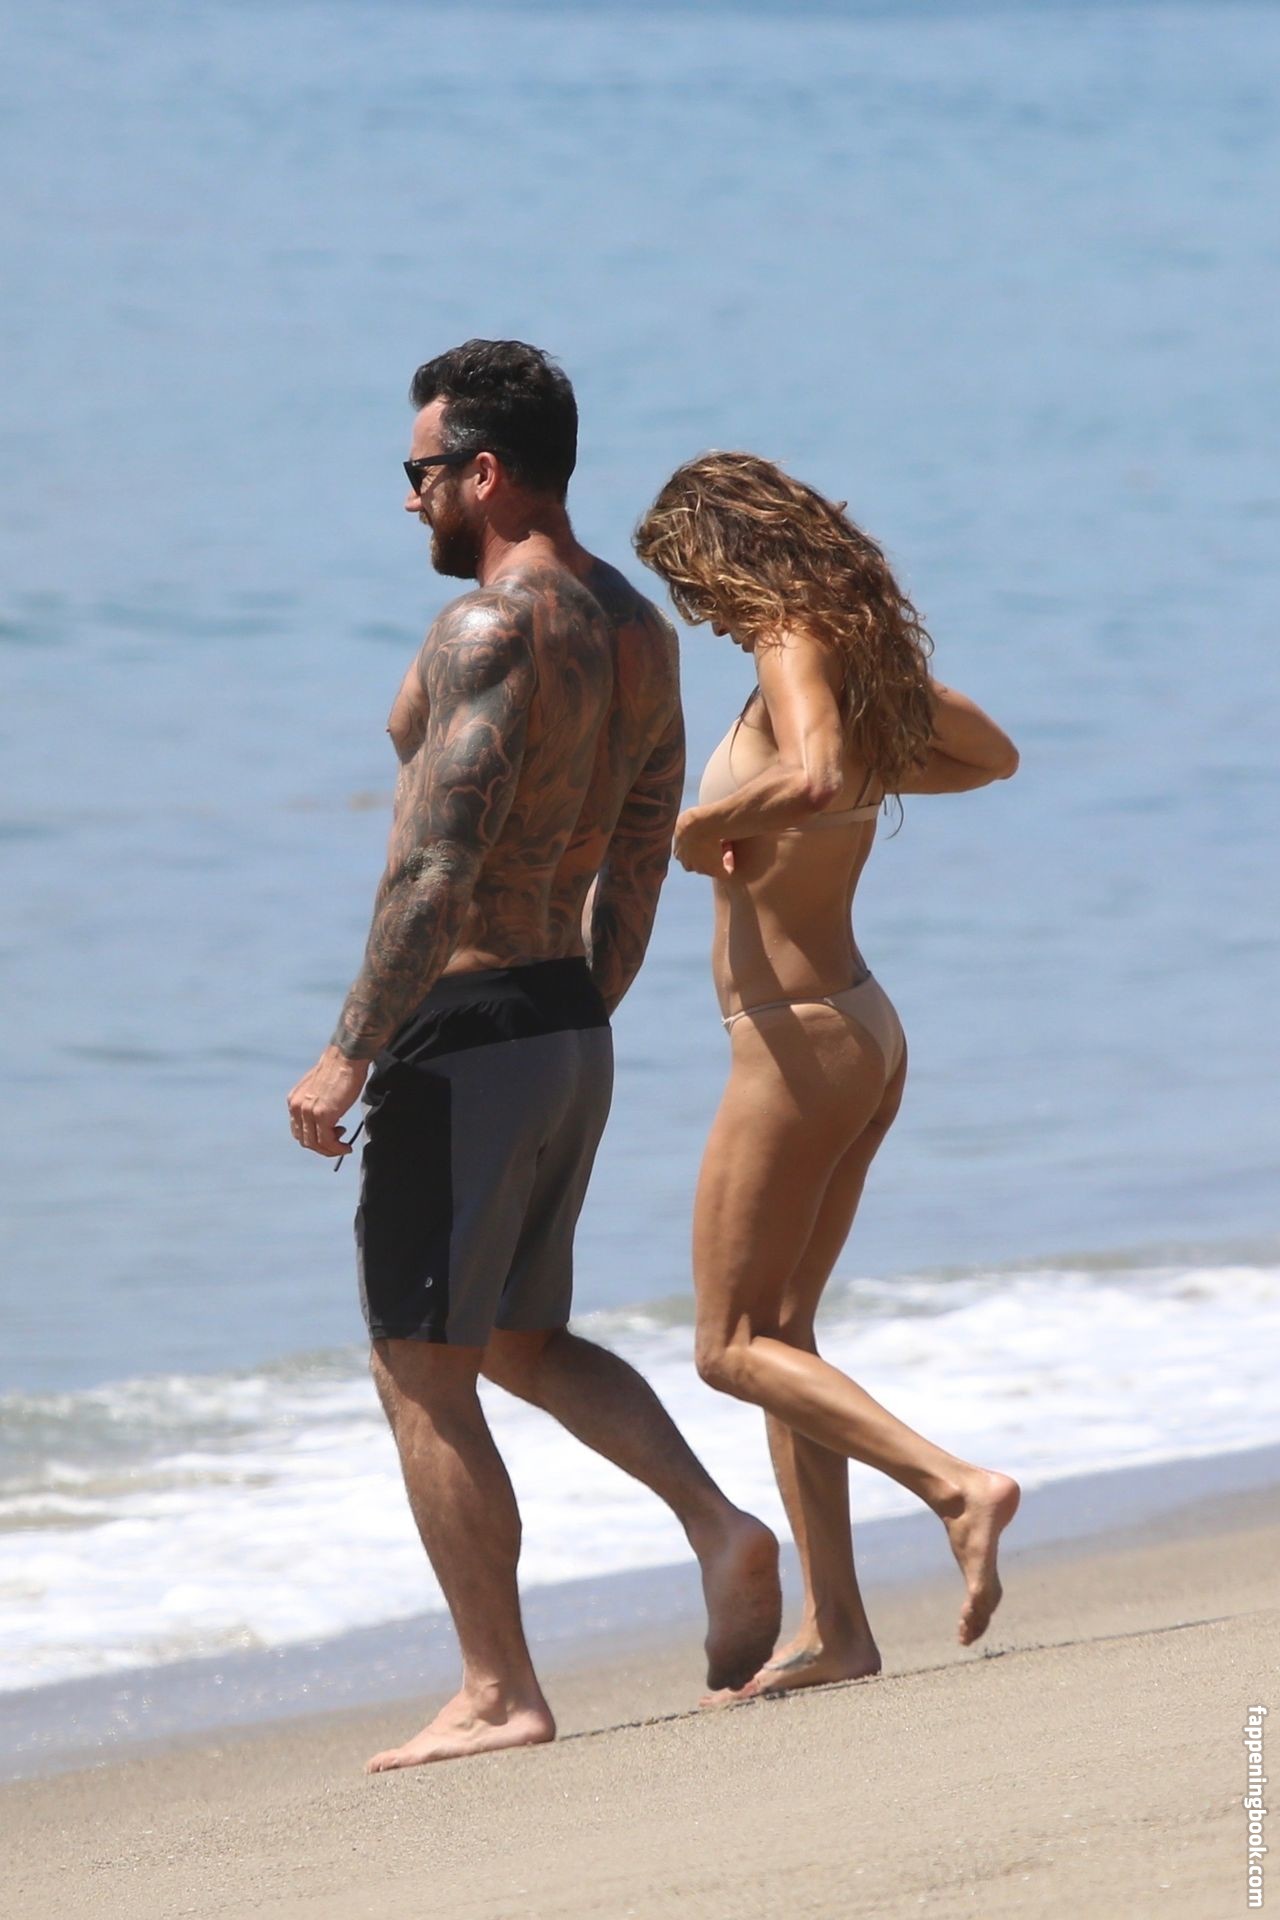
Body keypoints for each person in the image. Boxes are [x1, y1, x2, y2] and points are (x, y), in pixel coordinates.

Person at [287, 346, 779, 1769]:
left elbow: (434, 866)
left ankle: (498, 1689)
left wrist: (349, 1052)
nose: (411, 500)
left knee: (419, 1369)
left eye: (421, 472)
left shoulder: (486, 630)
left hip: (468, 1028)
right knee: (515, 1336)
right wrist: (579, 1014)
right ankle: (720, 1528)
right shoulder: (637, 630)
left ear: (485, 473)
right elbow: (642, 848)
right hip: (564, 1017)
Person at [633, 451, 1022, 1699]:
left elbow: (803, 777)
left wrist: (704, 826)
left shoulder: (788, 643)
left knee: (726, 1345)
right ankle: (838, 1629)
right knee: (784, 1333)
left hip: (795, 1042)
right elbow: (988, 756)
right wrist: (859, 765)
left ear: (723, 556)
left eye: (691, 585)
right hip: (856, 1029)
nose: (699, 616)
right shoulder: (855, 664)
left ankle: (954, 1487)